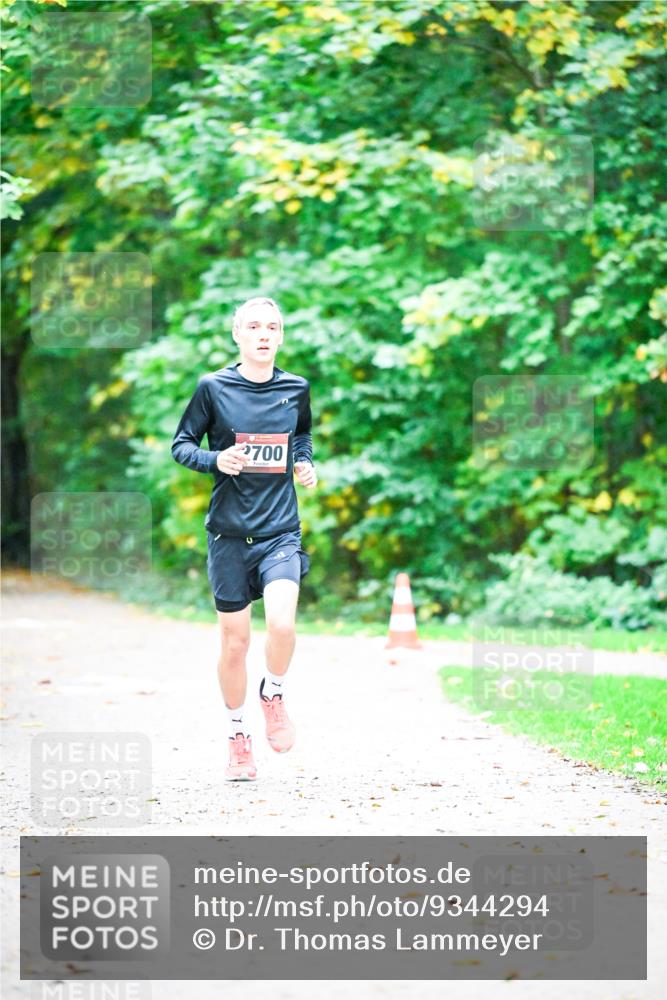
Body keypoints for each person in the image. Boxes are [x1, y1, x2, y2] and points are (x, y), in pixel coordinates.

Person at [171, 297, 317, 780]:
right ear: (237, 333)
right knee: (235, 644)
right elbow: (182, 445)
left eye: (271, 327)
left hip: (280, 532)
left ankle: (272, 693)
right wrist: (217, 460)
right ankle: (238, 735)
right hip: (229, 535)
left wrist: (304, 462)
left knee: (282, 624)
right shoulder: (212, 387)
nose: (263, 334)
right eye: (253, 326)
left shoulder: (296, 388)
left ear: (280, 335)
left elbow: (302, 437)